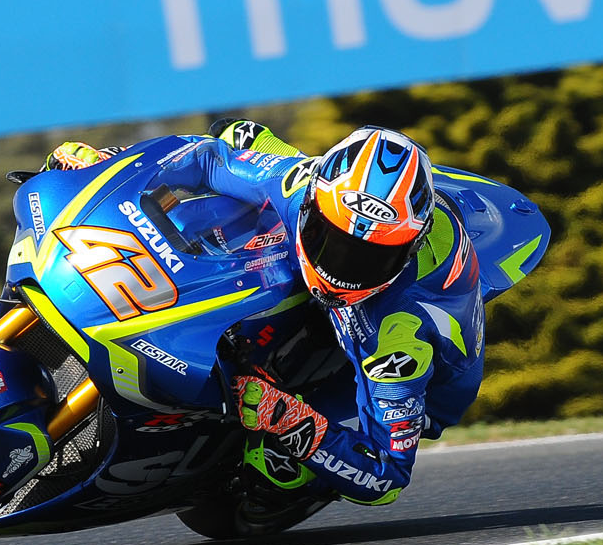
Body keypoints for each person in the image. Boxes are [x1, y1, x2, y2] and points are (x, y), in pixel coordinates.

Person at [44, 118, 486, 506]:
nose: (343, 270)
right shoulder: (298, 183)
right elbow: (207, 157)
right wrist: (110, 165)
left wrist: (288, 418)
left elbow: (385, 477)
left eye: (370, 258)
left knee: (272, 465)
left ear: (408, 249)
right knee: (226, 187)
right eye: (329, 239)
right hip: (317, 278)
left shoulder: (398, 339)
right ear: (313, 202)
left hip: (423, 377)